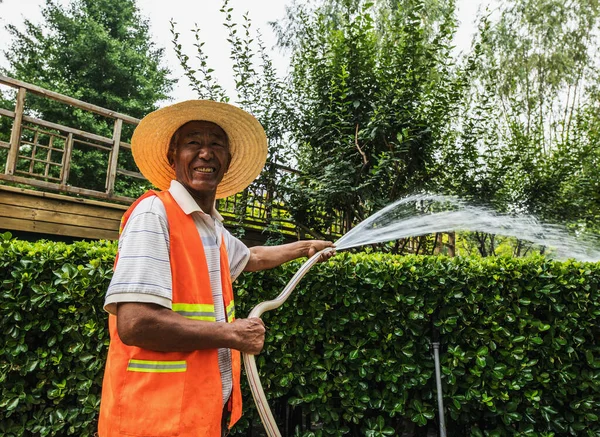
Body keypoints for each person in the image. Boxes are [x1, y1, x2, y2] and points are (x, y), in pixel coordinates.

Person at [97, 100, 334, 437]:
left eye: (216, 144)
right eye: (193, 142)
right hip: (153, 420)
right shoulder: (155, 214)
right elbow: (135, 324)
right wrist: (231, 333)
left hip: (199, 415)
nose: (206, 153)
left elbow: (251, 257)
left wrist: (305, 248)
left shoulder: (209, 227)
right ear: (172, 156)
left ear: (227, 160)